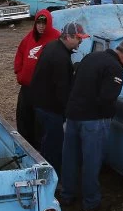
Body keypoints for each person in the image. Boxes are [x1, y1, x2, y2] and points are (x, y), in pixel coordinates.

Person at [61, 40, 123, 211]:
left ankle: (67, 195)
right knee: (91, 160)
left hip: (73, 115)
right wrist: (109, 114)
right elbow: (107, 98)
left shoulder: (91, 57)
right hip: (93, 120)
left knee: (70, 158)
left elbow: (74, 83)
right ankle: (91, 202)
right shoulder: (115, 68)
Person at [30, 21, 87, 173]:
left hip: (41, 104)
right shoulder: (60, 57)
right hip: (51, 109)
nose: (81, 41)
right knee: (53, 146)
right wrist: (70, 111)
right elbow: (62, 90)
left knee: (47, 142)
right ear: (68, 37)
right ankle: (51, 178)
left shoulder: (52, 46)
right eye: (78, 38)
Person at [13, 10, 60, 149]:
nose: (41, 26)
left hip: (43, 90)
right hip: (26, 88)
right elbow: (20, 53)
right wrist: (19, 72)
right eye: (38, 22)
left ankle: (39, 150)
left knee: (39, 123)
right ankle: (25, 147)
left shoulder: (56, 38)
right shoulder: (30, 37)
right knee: (23, 118)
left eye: (44, 23)